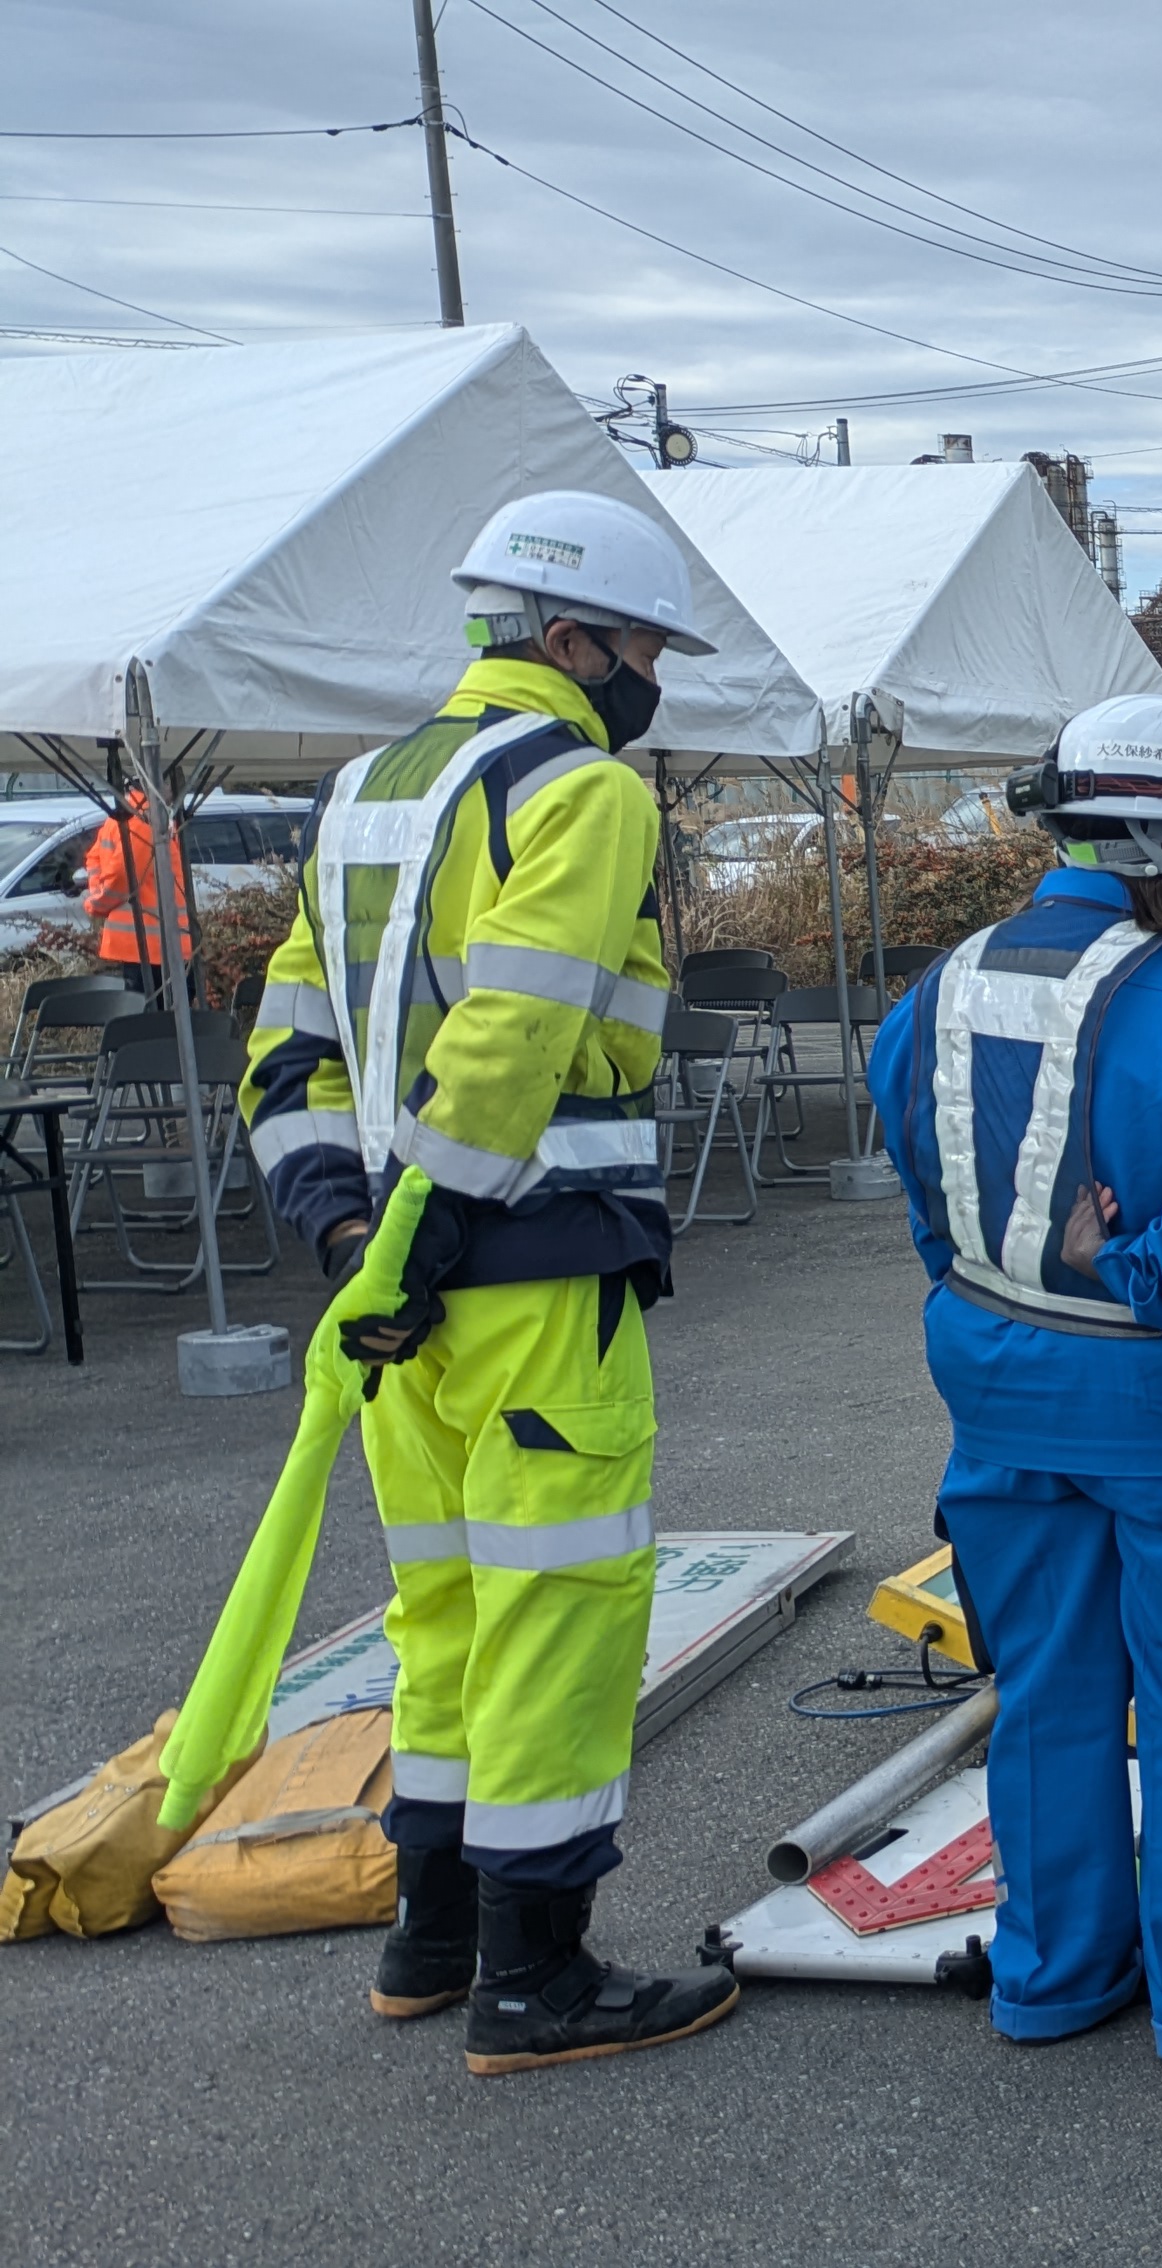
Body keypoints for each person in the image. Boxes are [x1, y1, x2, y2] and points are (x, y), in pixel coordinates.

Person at [236, 489, 725, 2074]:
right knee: (558, 1609)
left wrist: (346, 1238)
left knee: (439, 1612)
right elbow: (518, 1028)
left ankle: (431, 1940)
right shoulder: (580, 789)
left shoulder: (361, 794)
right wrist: (429, 1230)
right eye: (644, 648)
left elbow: (289, 1050)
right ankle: (537, 1976)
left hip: (397, 1303)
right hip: (527, 1271)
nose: (651, 678)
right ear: (571, 639)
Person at [867, 693, 1162, 2066]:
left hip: (1003, 1401)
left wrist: (1017, 1310)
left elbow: (933, 1202)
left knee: (1046, 1698)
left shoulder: (935, 991)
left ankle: (1056, 1974)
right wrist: (1136, 1268)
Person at [78, 783, 187, 989]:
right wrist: (97, 903)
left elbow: (95, 860)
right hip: (149, 948)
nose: (174, 786)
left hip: (144, 946)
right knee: (153, 1008)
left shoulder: (131, 816)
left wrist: (97, 899)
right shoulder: (144, 819)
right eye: (168, 781)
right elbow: (123, 876)